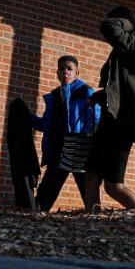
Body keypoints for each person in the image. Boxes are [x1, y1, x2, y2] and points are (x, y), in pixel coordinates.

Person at [83, 5, 135, 212]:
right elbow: (122, 83)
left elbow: (108, 26)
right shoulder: (129, 47)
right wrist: (100, 96)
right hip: (117, 118)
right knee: (97, 178)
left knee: (111, 184)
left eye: (117, 19)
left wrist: (128, 22)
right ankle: (92, 220)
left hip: (120, 121)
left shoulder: (133, 42)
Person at [31, 55, 100, 212]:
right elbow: (46, 125)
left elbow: (95, 118)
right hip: (58, 148)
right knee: (48, 187)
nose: (65, 72)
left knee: (86, 187)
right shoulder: (55, 96)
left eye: (69, 69)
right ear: (57, 73)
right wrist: (27, 118)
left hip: (79, 148)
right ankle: (36, 215)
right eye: (61, 69)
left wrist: (89, 140)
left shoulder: (85, 92)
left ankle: (95, 218)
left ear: (77, 73)